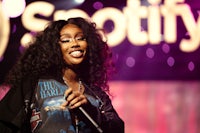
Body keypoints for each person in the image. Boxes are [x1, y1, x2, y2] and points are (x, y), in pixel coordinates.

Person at [0, 17, 124, 133]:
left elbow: (117, 129)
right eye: (65, 40)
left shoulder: (97, 94)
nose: (75, 43)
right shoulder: (33, 84)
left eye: (80, 38)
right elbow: (4, 122)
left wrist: (91, 110)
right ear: (54, 48)